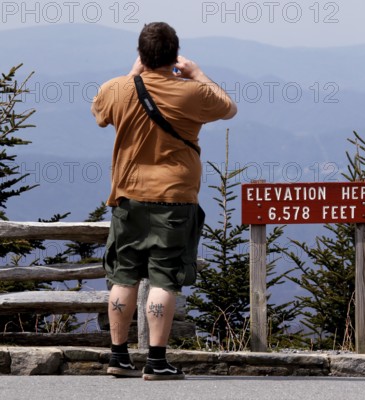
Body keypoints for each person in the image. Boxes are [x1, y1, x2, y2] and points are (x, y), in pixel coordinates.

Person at [91, 22, 237, 380]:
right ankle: (156, 361)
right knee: (163, 279)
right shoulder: (191, 93)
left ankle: (118, 356)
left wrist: (133, 72)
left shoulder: (117, 89)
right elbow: (229, 108)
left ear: (141, 54)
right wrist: (197, 72)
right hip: (173, 199)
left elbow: (99, 114)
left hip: (127, 197)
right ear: (174, 55)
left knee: (123, 277)